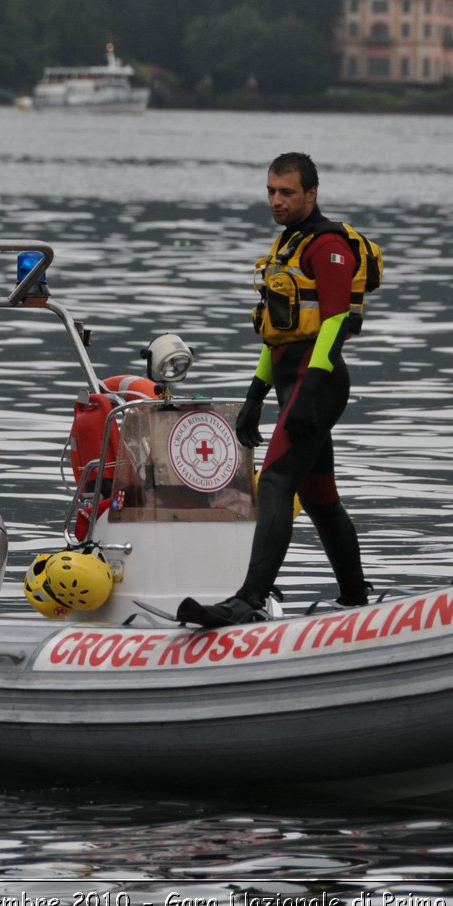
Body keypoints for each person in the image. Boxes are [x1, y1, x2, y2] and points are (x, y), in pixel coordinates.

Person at [178, 152, 369, 627]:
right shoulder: (288, 244)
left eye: (287, 192)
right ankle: (354, 599)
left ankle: (249, 598)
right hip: (292, 382)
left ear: (311, 193)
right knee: (321, 497)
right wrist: (255, 395)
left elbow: (334, 323)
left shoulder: (328, 247)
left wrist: (309, 392)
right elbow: (279, 334)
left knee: (276, 482)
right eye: (271, 191)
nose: (276, 200)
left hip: (317, 383)